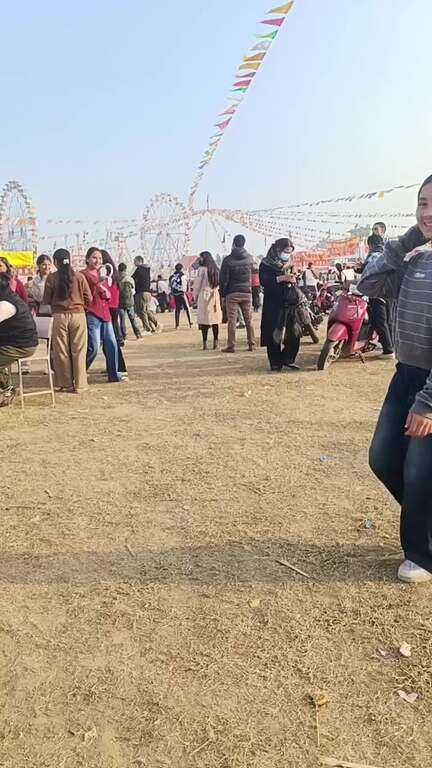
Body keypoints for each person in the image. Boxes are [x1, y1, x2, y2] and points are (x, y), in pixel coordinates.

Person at [358, 174, 432, 583]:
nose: (428, 212)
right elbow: (367, 283)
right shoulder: (413, 260)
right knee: (383, 457)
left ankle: (422, 553)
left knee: (419, 471)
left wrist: (428, 404)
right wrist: (404, 244)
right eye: (423, 203)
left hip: (430, 387)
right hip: (406, 375)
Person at [43, 249, 92, 393]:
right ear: (69, 260)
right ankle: (80, 385)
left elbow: (46, 299)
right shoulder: (79, 276)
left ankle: (66, 384)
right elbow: (88, 297)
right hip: (78, 315)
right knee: (79, 351)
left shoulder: (51, 278)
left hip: (59, 317)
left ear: (55, 262)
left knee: (61, 351)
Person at [259, 238, 307, 372]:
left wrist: (294, 277)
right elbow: (263, 281)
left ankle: (288, 358)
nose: (287, 254)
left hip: (290, 300)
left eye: (290, 252)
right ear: (278, 250)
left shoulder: (290, 262)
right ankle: (275, 362)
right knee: (274, 332)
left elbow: (294, 277)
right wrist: (281, 278)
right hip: (273, 301)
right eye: (286, 251)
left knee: (295, 331)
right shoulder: (266, 263)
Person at [81, 247, 123, 383]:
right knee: (93, 346)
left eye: (99, 258)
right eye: (94, 257)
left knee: (112, 344)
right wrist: (98, 285)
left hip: (105, 314)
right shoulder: (82, 275)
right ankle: (79, 372)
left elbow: (108, 296)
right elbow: (85, 295)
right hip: (92, 313)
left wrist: (107, 293)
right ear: (87, 259)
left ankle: (113, 374)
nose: (97, 260)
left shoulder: (102, 275)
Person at [0, 272, 38, 406]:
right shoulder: (8, 297)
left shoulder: (5, 304)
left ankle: (7, 389)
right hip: (12, 342)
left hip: (21, 345)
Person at [356, 229, 394, 359]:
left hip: (377, 293)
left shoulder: (373, 255)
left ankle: (388, 350)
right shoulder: (386, 253)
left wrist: (359, 268)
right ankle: (391, 345)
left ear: (371, 244)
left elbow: (367, 269)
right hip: (389, 293)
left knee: (380, 321)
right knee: (388, 321)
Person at [219, 234, 255, 353]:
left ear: (233, 244)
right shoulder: (250, 258)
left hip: (232, 292)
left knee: (232, 321)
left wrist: (223, 294)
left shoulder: (227, 260)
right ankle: (251, 343)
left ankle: (231, 345)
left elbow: (223, 279)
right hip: (247, 292)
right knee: (249, 319)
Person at [100, 250, 128, 377]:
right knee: (109, 341)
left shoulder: (106, 274)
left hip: (109, 308)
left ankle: (119, 367)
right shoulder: (113, 275)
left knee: (111, 341)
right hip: (113, 308)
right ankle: (113, 366)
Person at [193, 251, 222, 350]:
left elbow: (197, 284)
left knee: (204, 321)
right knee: (215, 320)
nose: (199, 259)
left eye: (200, 257)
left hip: (204, 296)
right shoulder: (216, 269)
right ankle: (216, 342)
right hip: (215, 295)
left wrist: (195, 297)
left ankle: (205, 343)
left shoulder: (201, 270)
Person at [132, 255, 159, 333]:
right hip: (147, 292)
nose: (134, 263)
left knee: (142, 311)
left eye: (135, 261)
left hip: (141, 292)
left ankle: (148, 328)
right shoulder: (147, 269)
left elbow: (132, 278)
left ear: (139, 261)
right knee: (146, 310)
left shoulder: (139, 269)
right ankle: (155, 326)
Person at [118, 263, 142, 340]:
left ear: (118, 269)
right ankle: (138, 335)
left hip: (120, 303)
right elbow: (133, 291)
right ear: (125, 269)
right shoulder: (129, 278)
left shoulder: (117, 279)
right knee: (133, 319)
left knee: (122, 320)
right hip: (129, 302)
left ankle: (124, 336)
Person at [170, 263, 192, 328]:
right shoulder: (183, 276)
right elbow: (186, 285)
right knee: (187, 308)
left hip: (175, 294)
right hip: (182, 294)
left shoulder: (172, 276)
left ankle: (177, 325)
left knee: (177, 309)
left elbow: (170, 285)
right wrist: (187, 290)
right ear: (181, 268)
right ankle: (190, 322)